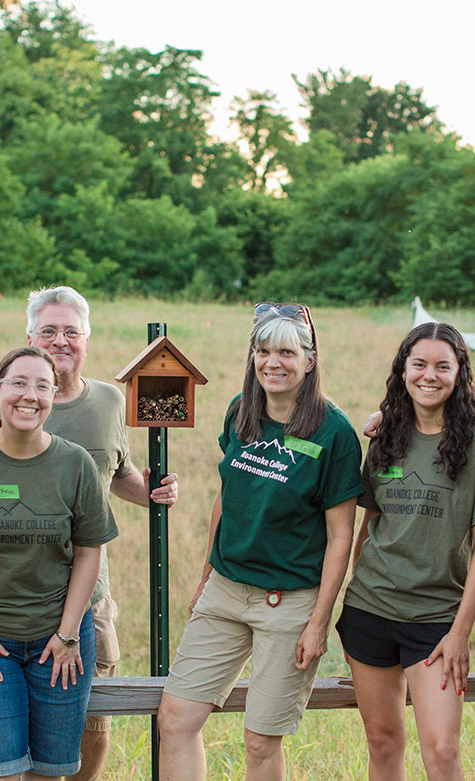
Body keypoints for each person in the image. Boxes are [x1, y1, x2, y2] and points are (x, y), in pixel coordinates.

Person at [0, 286, 177, 781]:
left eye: (71, 332)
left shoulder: (108, 401)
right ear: (29, 338)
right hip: (8, 598)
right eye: (48, 331)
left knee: (89, 721)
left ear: (87, 338)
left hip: (89, 598)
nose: (61, 341)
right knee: (17, 723)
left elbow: (115, 475)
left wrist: (151, 492)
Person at [157, 302, 364, 781]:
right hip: (226, 591)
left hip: (288, 603)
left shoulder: (334, 433)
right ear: (253, 356)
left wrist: (318, 623)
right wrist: (207, 577)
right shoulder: (240, 411)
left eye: (287, 352)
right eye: (264, 350)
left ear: (309, 360)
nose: (274, 362)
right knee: (176, 719)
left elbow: (340, 537)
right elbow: (227, 497)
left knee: (259, 743)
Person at [0, 346, 118, 779]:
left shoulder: (75, 464)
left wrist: (68, 635)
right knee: (3, 772)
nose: (30, 395)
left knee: (52, 772)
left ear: (53, 396)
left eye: (43, 386)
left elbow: (89, 551)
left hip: (61, 640)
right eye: (19, 383)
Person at [337, 323, 475, 780]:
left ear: (460, 373)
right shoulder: (385, 437)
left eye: (443, 365)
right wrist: (352, 586)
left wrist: (459, 632)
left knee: (441, 752)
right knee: (382, 744)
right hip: (370, 608)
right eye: (418, 364)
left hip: (436, 622)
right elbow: (371, 521)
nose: (429, 375)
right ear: (403, 371)